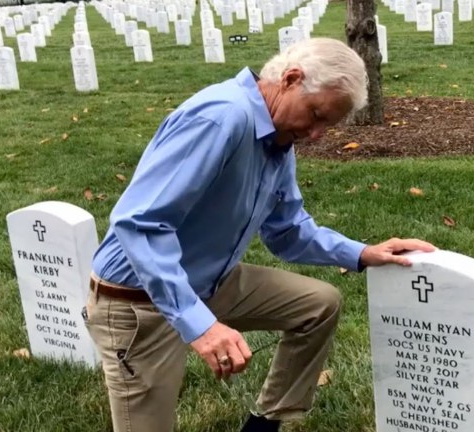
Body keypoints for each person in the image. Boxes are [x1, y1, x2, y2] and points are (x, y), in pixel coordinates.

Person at [85, 37, 436, 432]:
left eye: (329, 125)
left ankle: (265, 425)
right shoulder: (221, 119)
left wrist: (362, 253)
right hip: (137, 302)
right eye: (317, 115)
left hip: (208, 280)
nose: (317, 135)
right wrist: (201, 325)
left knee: (318, 304)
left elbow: (288, 230)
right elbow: (140, 223)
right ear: (290, 78)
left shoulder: (278, 137)